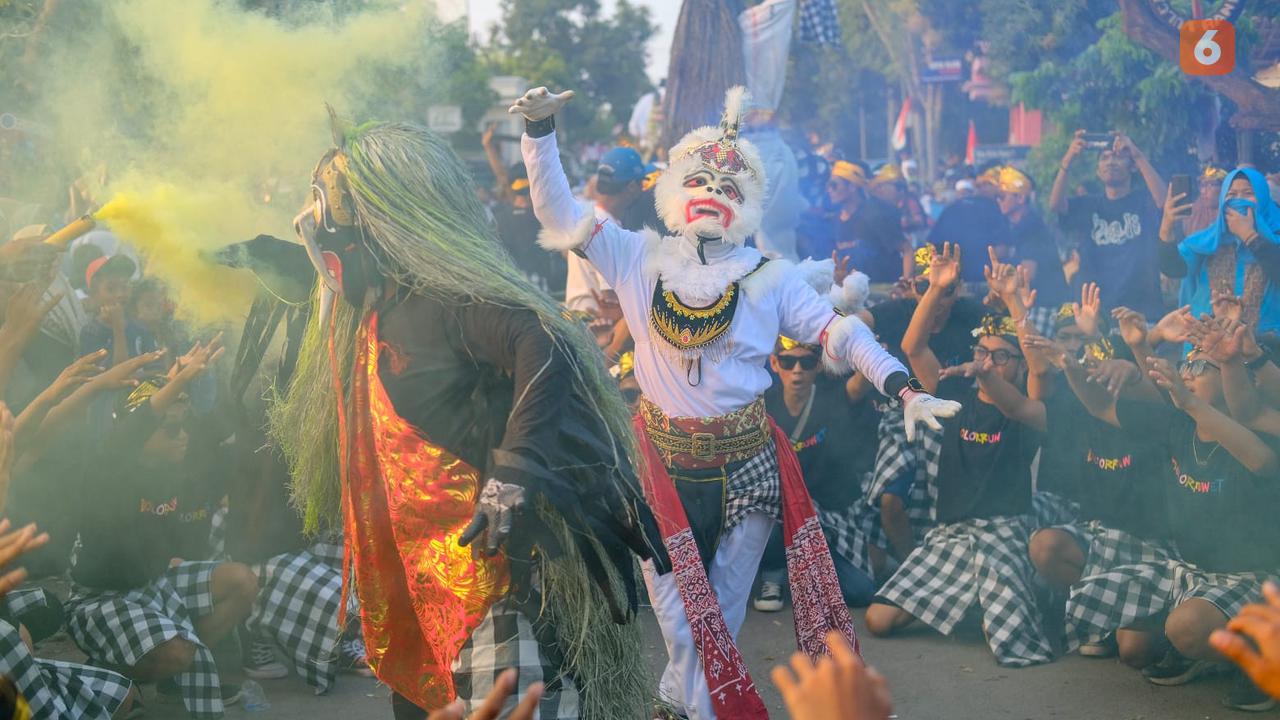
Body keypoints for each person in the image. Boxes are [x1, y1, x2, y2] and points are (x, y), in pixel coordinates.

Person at [514, 84, 958, 719]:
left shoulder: (768, 276)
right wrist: (541, 133)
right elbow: (558, 216)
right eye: (701, 181)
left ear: (745, 204)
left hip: (749, 466)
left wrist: (902, 385)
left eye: (729, 188)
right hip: (661, 465)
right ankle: (693, 705)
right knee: (680, 621)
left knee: (719, 612)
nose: (713, 195)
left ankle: (680, 701)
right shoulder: (634, 255)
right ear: (673, 190)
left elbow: (841, 332)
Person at [270, 114, 668, 719]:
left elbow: (545, 342)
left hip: (495, 579)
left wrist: (513, 471)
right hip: (417, 574)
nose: (319, 231)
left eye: (330, 213)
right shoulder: (381, 305)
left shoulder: (446, 300)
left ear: (383, 220)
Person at [1062, 309, 1280, 712]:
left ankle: (1262, 659)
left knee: (1185, 628)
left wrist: (1188, 400)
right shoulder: (1176, 422)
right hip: (1189, 570)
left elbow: (1264, 463)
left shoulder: (1260, 429)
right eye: (1188, 362)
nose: (1189, 370)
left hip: (1254, 580)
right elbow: (1099, 407)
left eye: (1201, 364)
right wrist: (1069, 365)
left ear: (1236, 377)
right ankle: (1202, 653)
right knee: (1132, 648)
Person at [866, 244, 1054, 667]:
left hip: (1005, 532)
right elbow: (912, 345)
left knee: (1013, 646)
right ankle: (969, 601)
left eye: (1001, 356)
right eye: (982, 353)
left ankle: (1002, 597)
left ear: (1018, 364)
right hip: (951, 537)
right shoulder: (953, 394)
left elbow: (1040, 370)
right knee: (878, 619)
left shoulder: (1028, 410)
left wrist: (1012, 299)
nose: (987, 361)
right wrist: (934, 288)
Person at [65, 339, 258, 720]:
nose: (181, 436)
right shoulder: (110, 467)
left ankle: (172, 669)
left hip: (153, 584)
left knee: (242, 581)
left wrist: (182, 378)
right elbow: (136, 422)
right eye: (169, 430)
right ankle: (114, 673)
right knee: (178, 651)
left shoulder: (176, 462)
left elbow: (212, 427)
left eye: (181, 428)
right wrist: (179, 378)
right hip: (101, 598)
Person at [753, 334, 882, 611]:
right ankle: (773, 574)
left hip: (830, 514)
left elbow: (859, 385)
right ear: (774, 363)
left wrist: (871, 354)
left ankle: (811, 573)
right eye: (788, 362)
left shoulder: (833, 398)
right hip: (781, 509)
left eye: (807, 362)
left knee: (861, 592)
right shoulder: (761, 406)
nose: (797, 370)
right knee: (768, 505)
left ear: (819, 366)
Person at [1051, 131, 1166, 318]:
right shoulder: (1088, 205)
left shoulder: (1144, 201)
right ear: (1098, 170)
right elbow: (1056, 205)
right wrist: (1069, 158)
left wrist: (1137, 155)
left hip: (1142, 310)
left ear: (1132, 167)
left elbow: (1164, 203)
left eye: (1118, 157)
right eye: (1104, 158)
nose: (1110, 162)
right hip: (1099, 313)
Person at [1161, 168, 1280, 334]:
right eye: (1231, 195)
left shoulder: (1276, 236)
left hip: (1266, 348)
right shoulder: (1208, 241)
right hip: (1210, 347)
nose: (1239, 201)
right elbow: (1173, 269)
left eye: (1247, 193)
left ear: (1263, 197)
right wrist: (1166, 226)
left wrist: (1249, 236)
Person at [806, 161, 911, 283]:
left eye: (834, 185)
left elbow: (907, 249)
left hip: (884, 292)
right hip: (852, 295)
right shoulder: (834, 220)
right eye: (828, 185)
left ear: (852, 187)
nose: (829, 190)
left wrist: (905, 286)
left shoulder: (874, 216)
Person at [996, 166, 1070, 310]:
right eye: (997, 197)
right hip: (1037, 302)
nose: (998, 201)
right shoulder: (1019, 225)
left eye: (1002, 196)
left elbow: (1026, 276)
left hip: (1044, 306)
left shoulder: (1031, 227)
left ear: (1021, 198)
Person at [926, 166, 1011, 285]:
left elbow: (932, 246)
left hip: (953, 282)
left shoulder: (952, 207)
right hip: (986, 281)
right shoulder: (997, 210)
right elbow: (1002, 251)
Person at [78, 254, 155, 367]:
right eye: (111, 289)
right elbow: (116, 377)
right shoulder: (90, 333)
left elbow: (156, 371)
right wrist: (118, 328)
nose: (120, 294)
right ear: (94, 293)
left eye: (125, 287)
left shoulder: (140, 327)